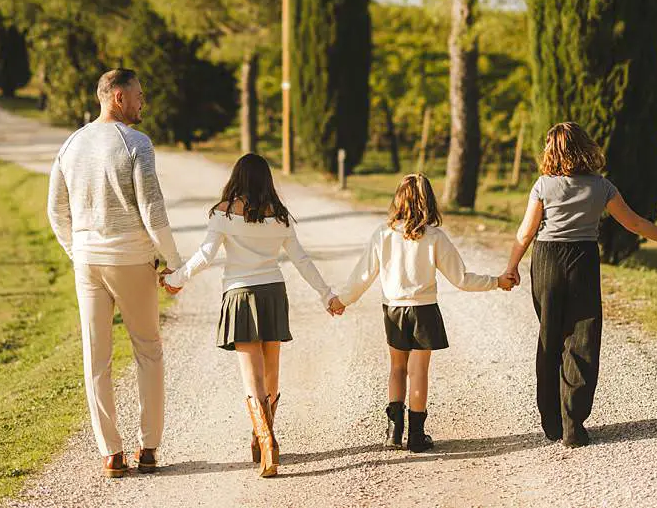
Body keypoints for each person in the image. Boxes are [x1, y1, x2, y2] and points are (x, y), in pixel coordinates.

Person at [502, 122, 657, 447]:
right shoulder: (601, 187)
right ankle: (573, 424)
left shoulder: (543, 186)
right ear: (584, 148)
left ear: (551, 152)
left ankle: (552, 423)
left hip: (546, 261)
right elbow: (635, 223)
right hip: (582, 263)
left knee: (551, 336)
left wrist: (512, 266)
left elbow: (526, 232)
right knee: (582, 340)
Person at [162, 152, 339, 478]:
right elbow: (301, 260)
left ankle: (266, 441)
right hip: (273, 293)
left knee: (252, 378)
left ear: (237, 178)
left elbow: (204, 256)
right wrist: (326, 294)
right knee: (271, 374)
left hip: (241, 295)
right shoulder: (280, 216)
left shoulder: (224, 213)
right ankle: (265, 438)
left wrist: (175, 280)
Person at [47, 69, 183, 479]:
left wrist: (77, 251)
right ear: (119, 97)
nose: (144, 102)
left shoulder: (71, 144)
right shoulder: (135, 143)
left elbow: (56, 210)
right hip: (130, 260)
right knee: (148, 349)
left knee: (96, 357)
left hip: (87, 262)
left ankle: (111, 453)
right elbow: (153, 211)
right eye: (140, 95)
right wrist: (173, 260)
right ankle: (149, 448)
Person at [333, 173, 514, 453]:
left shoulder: (384, 234)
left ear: (398, 201)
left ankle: (394, 432)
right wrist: (496, 281)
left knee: (396, 368)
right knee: (419, 372)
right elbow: (462, 279)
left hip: (393, 309)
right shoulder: (435, 237)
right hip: (424, 311)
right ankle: (416, 435)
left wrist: (343, 300)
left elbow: (363, 275)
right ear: (429, 202)